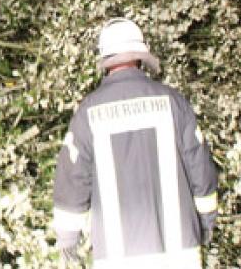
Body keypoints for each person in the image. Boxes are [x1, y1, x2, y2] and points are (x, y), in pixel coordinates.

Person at [52, 18, 218, 268]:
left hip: (117, 257)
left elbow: (72, 180)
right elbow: (201, 170)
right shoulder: (173, 102)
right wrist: (206, 221)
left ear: (106, 61)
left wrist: (68, 239)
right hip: (180, 252)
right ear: (141, 58)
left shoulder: (88, 113)